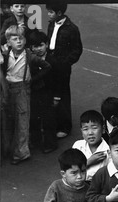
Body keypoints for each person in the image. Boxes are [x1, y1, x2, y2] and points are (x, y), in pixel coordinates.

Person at [1, 25, 51, 165]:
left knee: (22, 120)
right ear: (8, 42)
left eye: (21, 38)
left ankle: (21, 152)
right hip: (6, 89)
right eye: (15, 39)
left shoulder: (30, 56)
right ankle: (7, 149)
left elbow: (47, 67)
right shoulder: (5, 55)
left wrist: (33, 79)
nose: (19, 41)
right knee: (7, 120)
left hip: (22, 89)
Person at [46, 2, 83, 139]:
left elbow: (77, 50)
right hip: (50, 63)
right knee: (51, 92)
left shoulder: (72, 28)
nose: (48, 14)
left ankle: (65, 127)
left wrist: (65, 63)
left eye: (51, 12)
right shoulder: (51, 24)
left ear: (59, 13)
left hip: (62, 67)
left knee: (62, 94)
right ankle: (53, 123)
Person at [27, 29, 58, 154]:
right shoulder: (31, 60)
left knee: (48, 119)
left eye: (41, 45)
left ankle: (50, 143)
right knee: (34, 118)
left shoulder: (53, 61)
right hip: (34, 93)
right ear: (31, 48)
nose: (39, 49)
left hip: (48, 94)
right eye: (35, 46)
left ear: (46, 44)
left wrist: (57, 97)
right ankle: (35, 140)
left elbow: (59, 81)